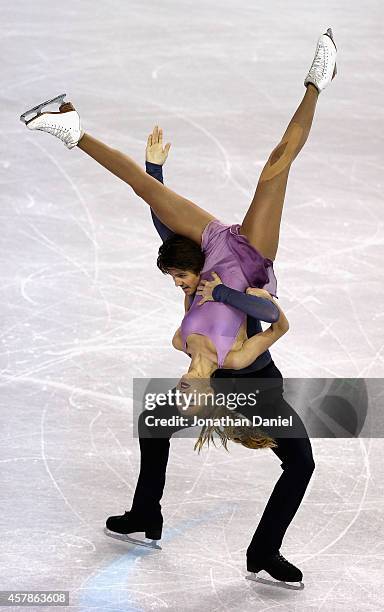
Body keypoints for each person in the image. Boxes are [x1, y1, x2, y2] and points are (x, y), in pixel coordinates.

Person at [21, 28, 337, 585]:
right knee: (276, 166)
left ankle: (72, 129)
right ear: (206, 392)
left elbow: (173, 244)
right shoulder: (235, 363)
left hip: (217, 248)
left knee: (151, 424)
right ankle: (317, 81)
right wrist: (227, 295)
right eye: (192, 392)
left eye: (180, 392)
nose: (182, 390)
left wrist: (158, 173)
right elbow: (273, 318)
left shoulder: (180, 341)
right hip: (253, 268)